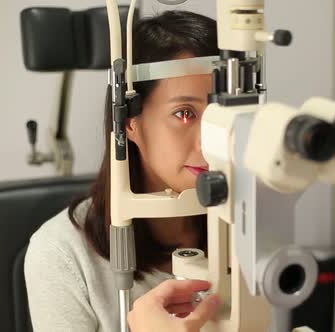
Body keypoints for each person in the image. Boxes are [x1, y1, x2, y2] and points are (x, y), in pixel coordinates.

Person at [24, 10, 221, 332]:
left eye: (221, 113)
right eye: (184, 113)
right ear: (131, 121)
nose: (209, 142)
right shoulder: (62, 255)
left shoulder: (249, 229)